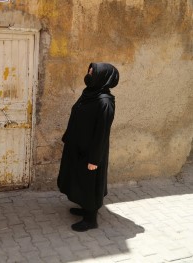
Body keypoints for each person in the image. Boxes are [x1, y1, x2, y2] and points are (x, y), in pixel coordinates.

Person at [57, 62, 119, 232]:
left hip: (91, 152)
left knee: (90, 184)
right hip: (78, 148)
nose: (89, 74)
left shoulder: (104, 102)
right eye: (89, 71)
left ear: (102, 77)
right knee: (79, 180)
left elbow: (102, 134)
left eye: (92, 72)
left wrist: (94, 159)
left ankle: (91, 219)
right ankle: (84, 208)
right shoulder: (89, 94)